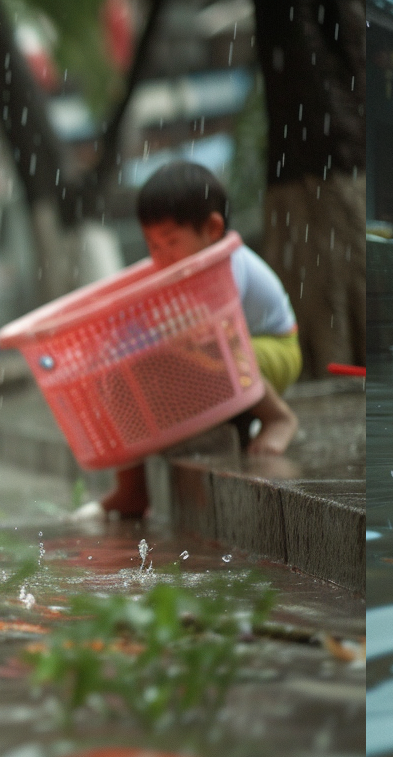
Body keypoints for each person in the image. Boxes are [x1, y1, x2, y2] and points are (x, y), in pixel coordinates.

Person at [96, 162, 302, 520]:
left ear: (212, 229)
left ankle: (278, 418)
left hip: (274, 348)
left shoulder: (226, 260)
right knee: (121, 372)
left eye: (171, 242)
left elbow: (218, 332)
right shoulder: (177, 269)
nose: (161, 256)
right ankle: (132, 488)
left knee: (214, 347)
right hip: (227, 351)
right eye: (152, 245)